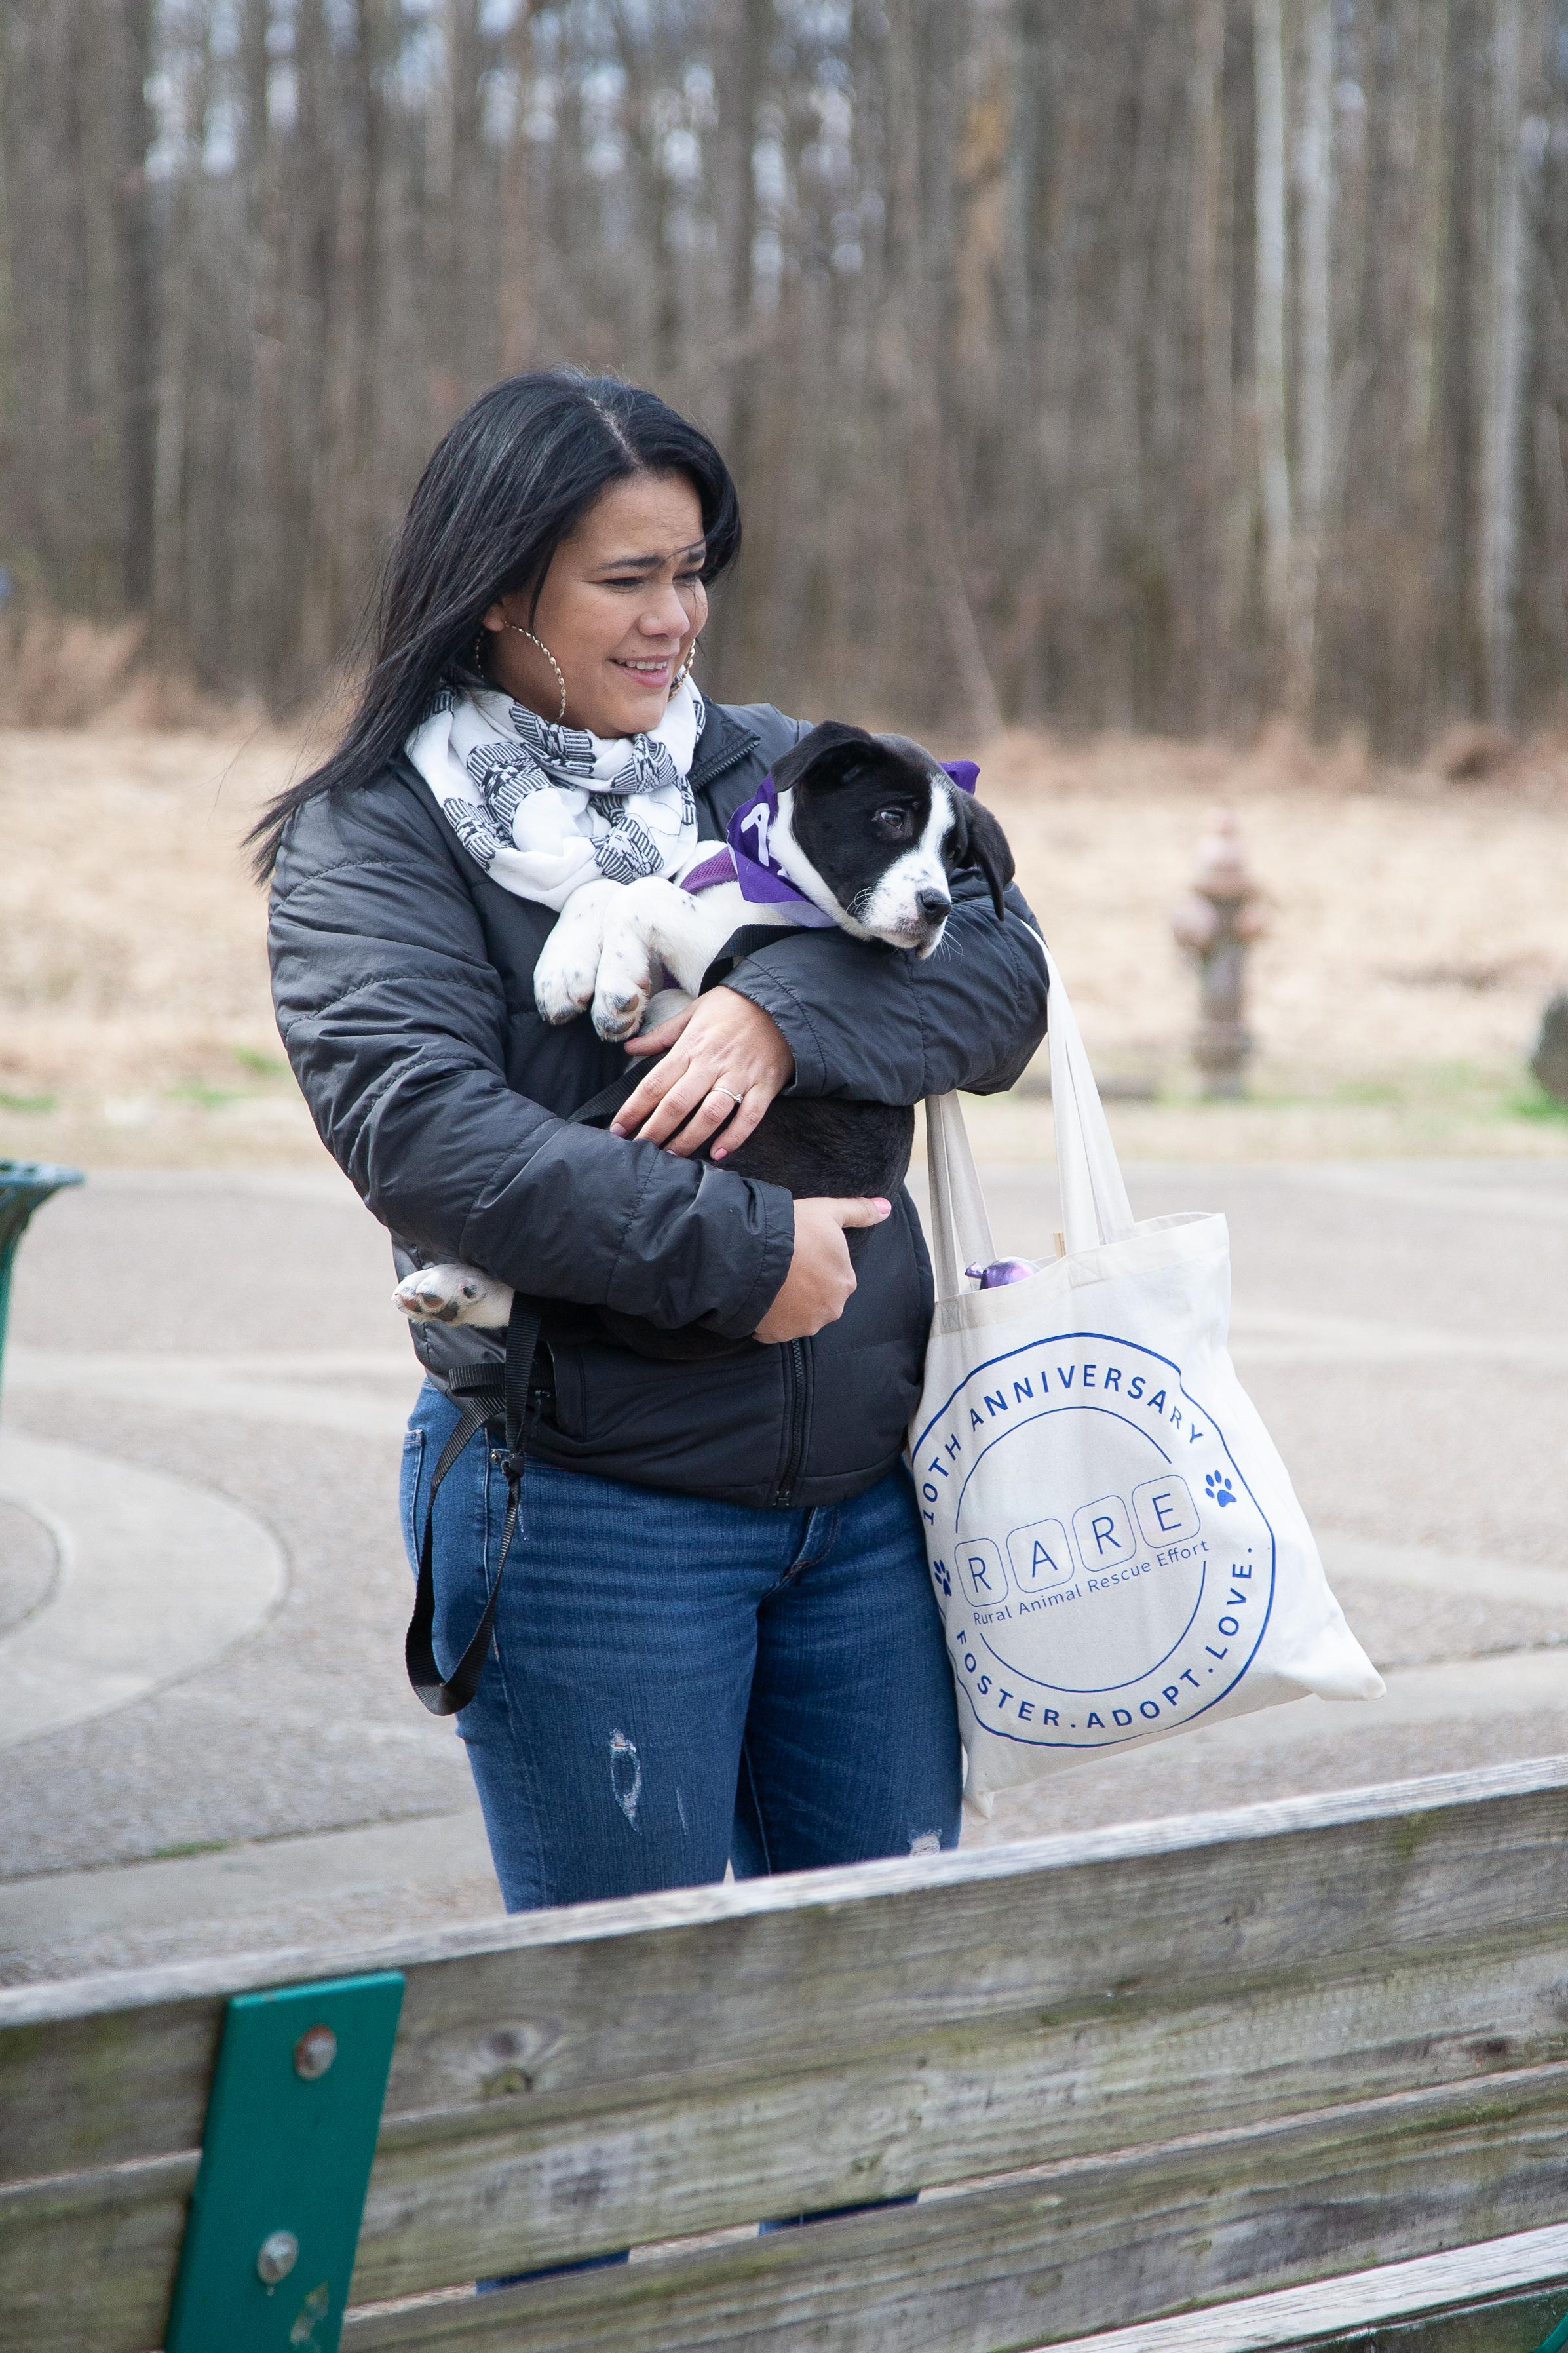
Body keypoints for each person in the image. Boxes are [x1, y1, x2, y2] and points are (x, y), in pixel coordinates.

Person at [258, 368, 1049, 1920]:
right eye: (628, 579)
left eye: (692, 572)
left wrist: (779, 1015)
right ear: (496, 587)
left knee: (866, 2032)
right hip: (592, 1510)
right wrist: (745, 1254)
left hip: (870, 1507)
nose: (674, 615)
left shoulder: (771, 768)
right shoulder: (373, 836)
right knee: (634, 2044)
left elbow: (1005, 970)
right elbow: (425, 1132)